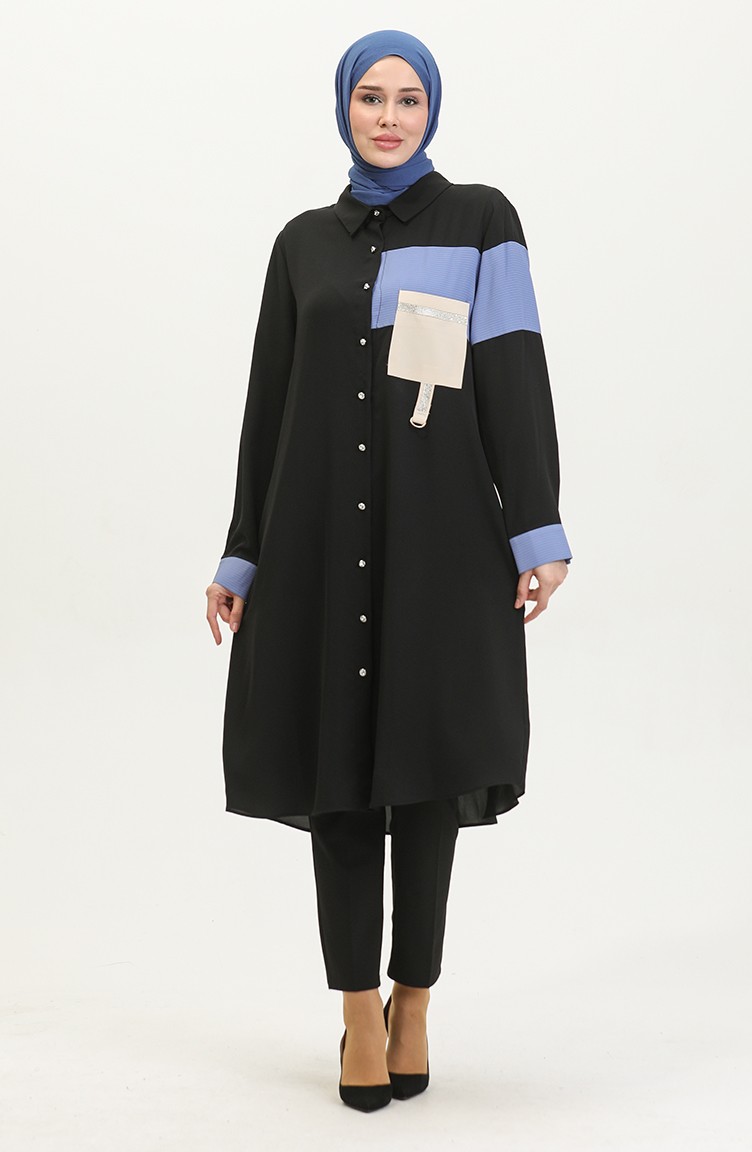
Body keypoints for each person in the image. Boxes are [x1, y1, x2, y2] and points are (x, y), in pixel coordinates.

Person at [205, 29, 571, 1112]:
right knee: (339, 781)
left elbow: (512, 372)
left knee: (423, 777)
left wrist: (536, 530)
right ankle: (357, 1010)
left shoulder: (480, 222)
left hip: (442, 546)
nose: (389, 116)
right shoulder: (301, 245)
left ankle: (414, 998)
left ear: (432, 112)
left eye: (409, 98)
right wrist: (242, 551)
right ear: (343, 109)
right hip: (316, 543)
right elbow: (268, 408)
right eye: (371, 96)